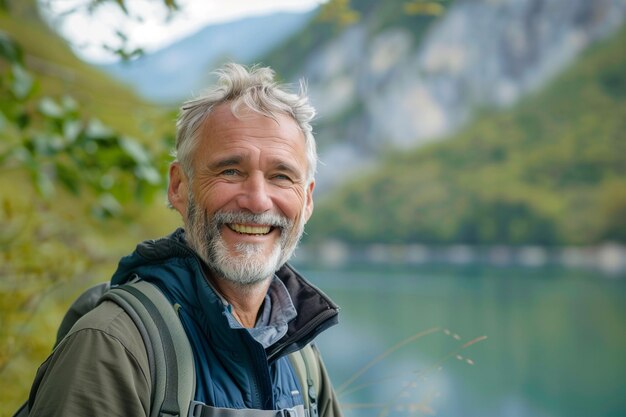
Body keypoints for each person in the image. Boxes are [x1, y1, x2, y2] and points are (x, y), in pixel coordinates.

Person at [27, 63, 342, 417]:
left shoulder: (302, 362)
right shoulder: (112, 346)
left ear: (308, 199)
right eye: (230, 171)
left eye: (281, 176)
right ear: (179, 187)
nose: (256, 200)